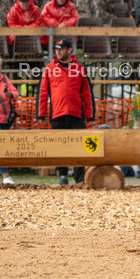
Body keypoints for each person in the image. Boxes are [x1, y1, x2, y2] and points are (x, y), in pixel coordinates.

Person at [37, 38, 94, 185]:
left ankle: (79, 177)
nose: (58, 51)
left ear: (69, 50)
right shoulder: (49, 68)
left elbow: (87, 93)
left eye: (61, 49)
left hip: (76, 114)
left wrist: (90, 115)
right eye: (56, 49)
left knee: (80, 146)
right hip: (57, 114)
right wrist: (41, 114)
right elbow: (42, 93)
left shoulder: (80, 68)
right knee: (59, 146)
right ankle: (62, 175)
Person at [0, 54, 19, 184]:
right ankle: (5, 176)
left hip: (4, 119)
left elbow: (16, 93)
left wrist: (11, 94)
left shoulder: (5, 79)